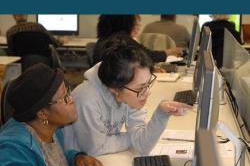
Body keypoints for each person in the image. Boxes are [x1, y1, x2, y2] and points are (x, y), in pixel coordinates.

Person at [63, 33, 192, 156]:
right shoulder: (87, 100)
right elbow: (94, 148)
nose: (148, 92)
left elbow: (142, 145)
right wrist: (131, 138)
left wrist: (161, 115)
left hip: (103, 159)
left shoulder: (130, 94)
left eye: (148, 84)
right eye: (141, 88)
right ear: (115, 89)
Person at [0, 63, 112, 166]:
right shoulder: (13, 149)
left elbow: (53, 158)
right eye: (64, 98)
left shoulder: (51, 127)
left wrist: (76, 158)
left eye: (68, 92)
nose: (71, 100)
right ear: (42, 113)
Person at [92, 15, 182, 66]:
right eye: (134, 24)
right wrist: (172, 51)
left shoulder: (104, 39)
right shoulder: (121, 39)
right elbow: (149, 56)